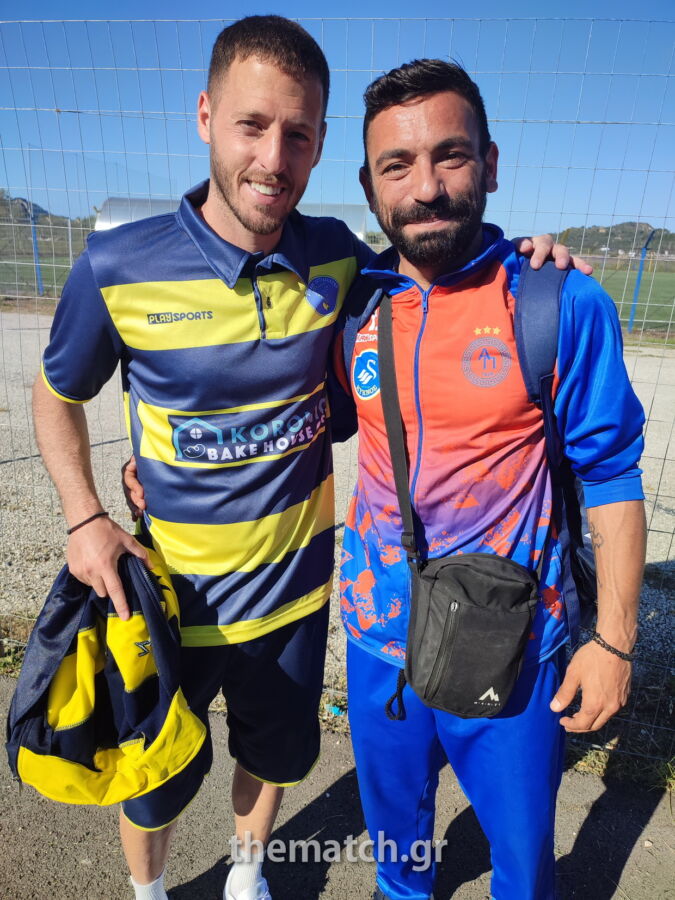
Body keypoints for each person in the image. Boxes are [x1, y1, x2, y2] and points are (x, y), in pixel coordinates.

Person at [34, 15, 582, 900]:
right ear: (205, 116)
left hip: (295, 600)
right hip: (171, 599)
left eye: (297, 134)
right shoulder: (116, 264)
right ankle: (148, 892)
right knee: (154, 779)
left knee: (276, 755)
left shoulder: (334, 257)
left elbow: (435, 249)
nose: (273, 157)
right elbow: (55, 392)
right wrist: (85, 516)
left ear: (322, 142)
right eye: (251, 125)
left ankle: (248, 876)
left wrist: (529, 256)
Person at [334, 59, 646, 900]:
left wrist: (612, 643)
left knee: (521, 868)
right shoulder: (350, 304)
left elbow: (612, 477)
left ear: (490, 163)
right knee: (396, 863)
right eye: (397, 165)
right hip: (375, 643)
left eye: (451, 155)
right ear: (368, 186)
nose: (426, 187)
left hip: (511, 648)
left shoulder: (556, 302)